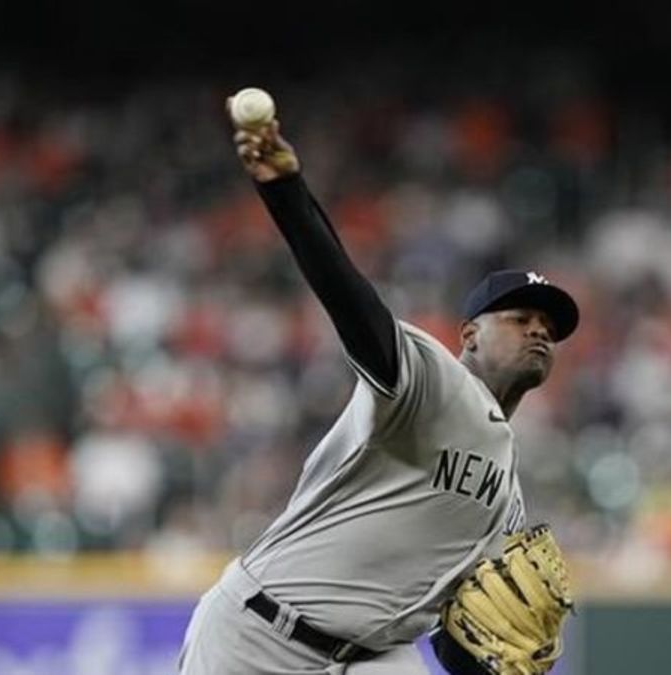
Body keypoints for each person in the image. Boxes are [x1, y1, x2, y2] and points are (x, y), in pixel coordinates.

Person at [177, 97, 579, 674]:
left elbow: (456, 634)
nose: (539, 331)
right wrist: (286, 192)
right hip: (260, 634)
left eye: (549, 328)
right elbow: (349, 299)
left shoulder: (507, 493)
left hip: (375, 660)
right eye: (520, 320)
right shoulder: (430, 381)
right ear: (469, 334)